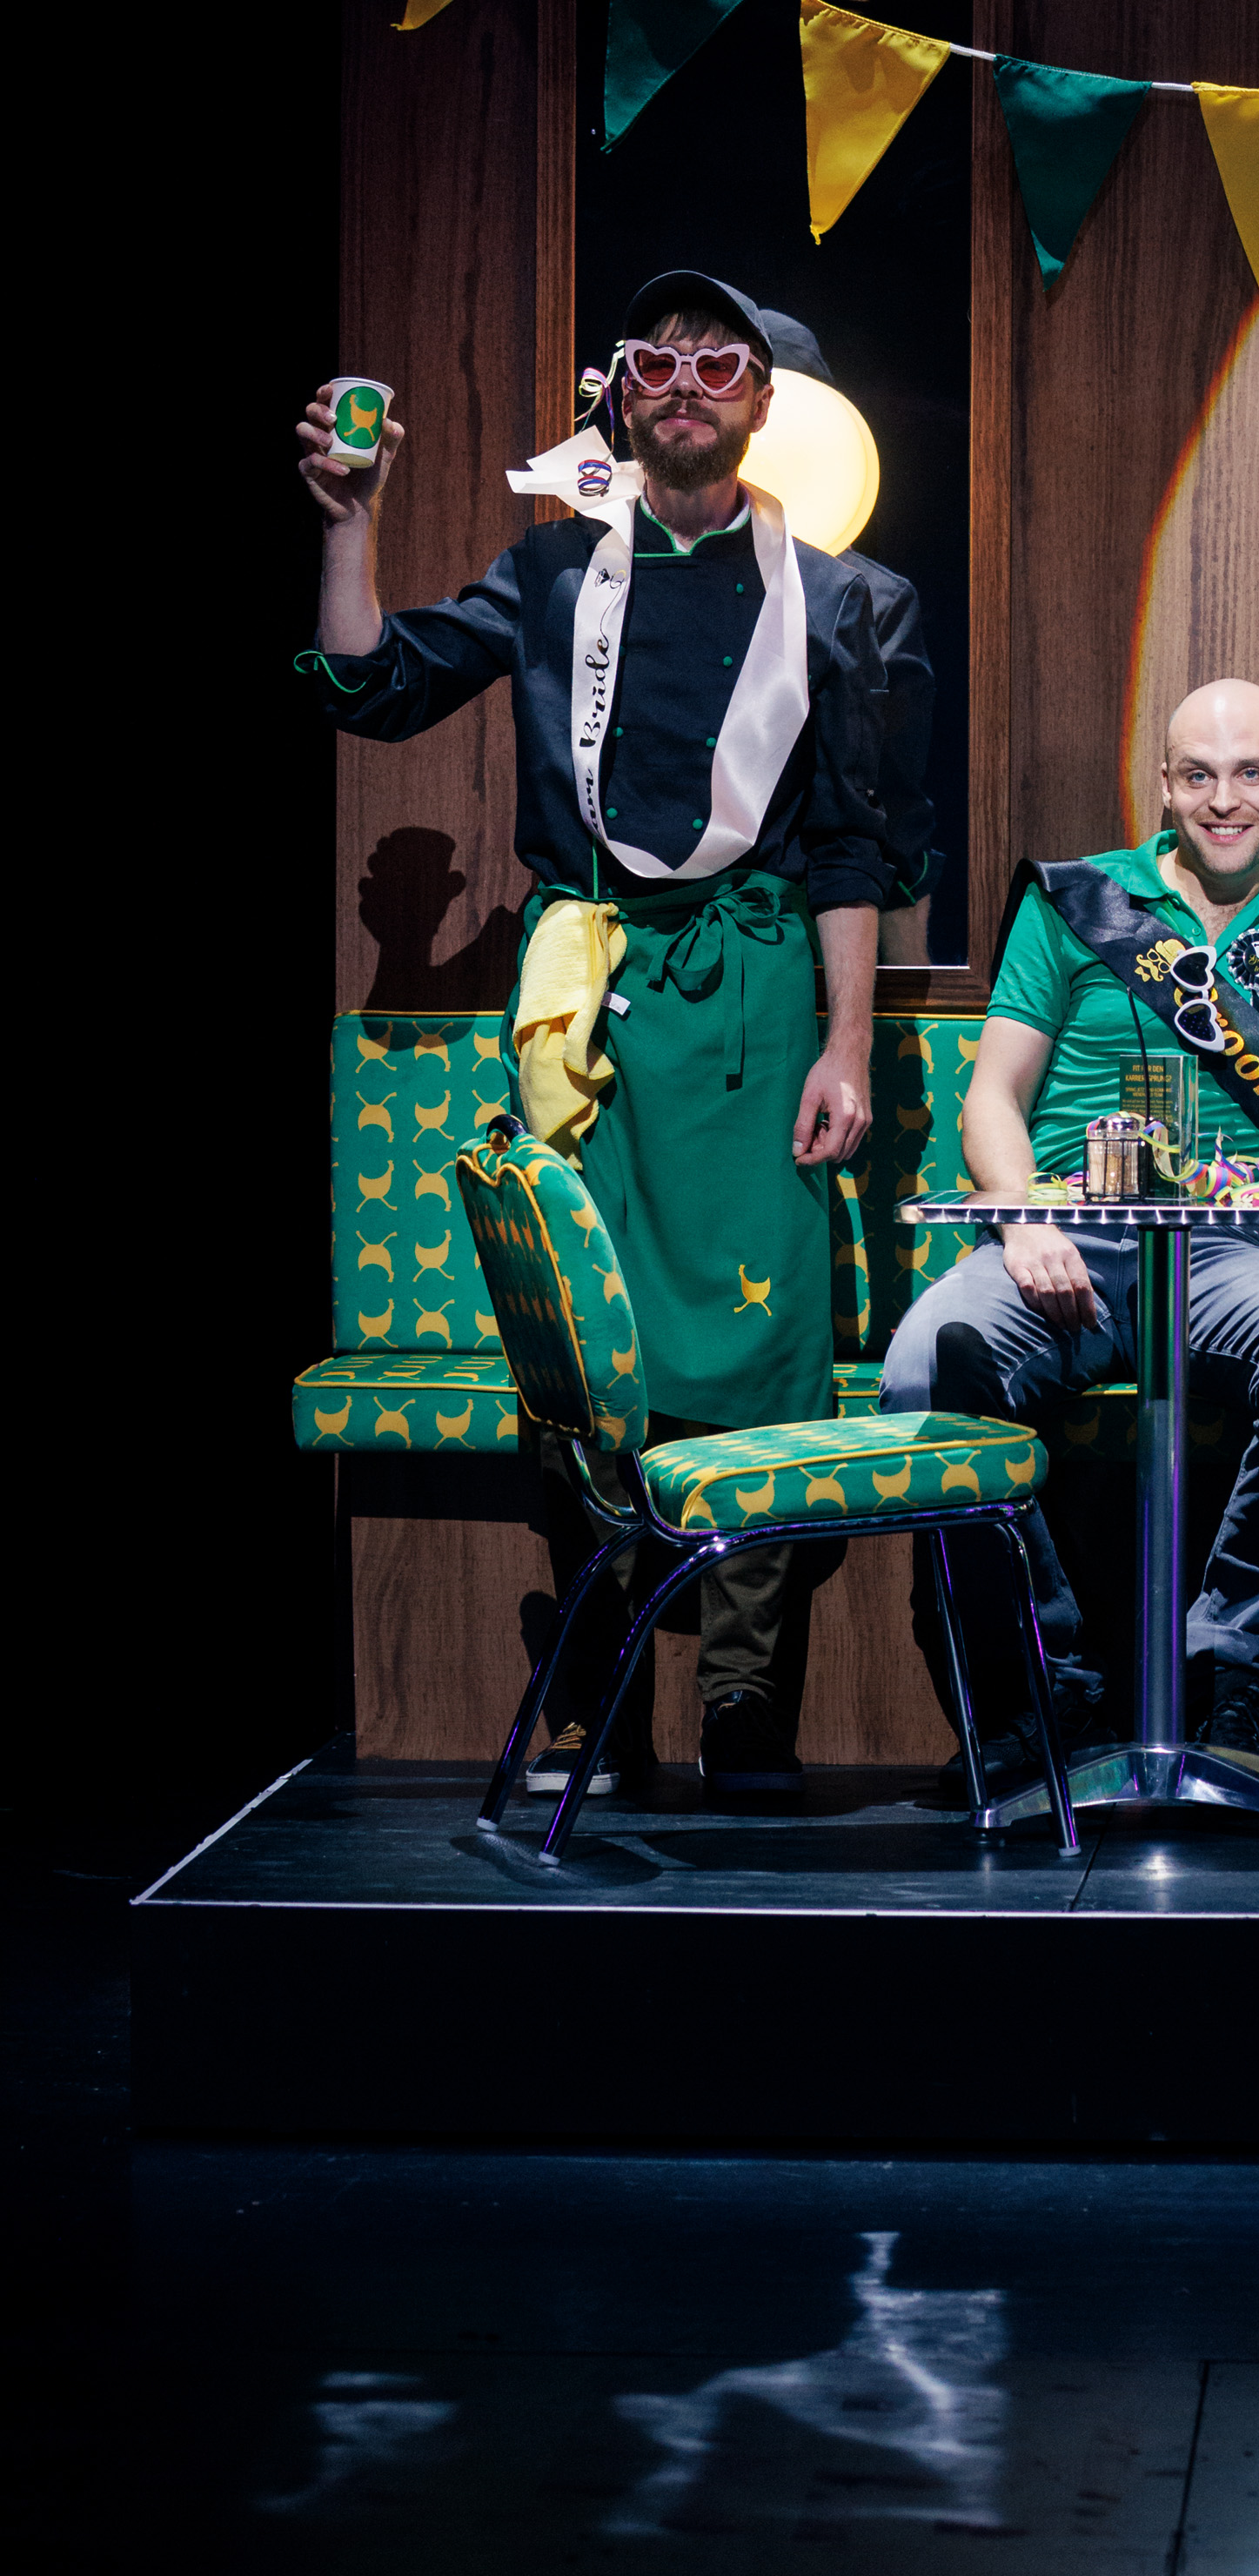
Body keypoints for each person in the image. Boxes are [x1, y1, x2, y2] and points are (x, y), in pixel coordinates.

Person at [298, 272, 894, 1794]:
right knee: (578, 1349)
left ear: (762, 402)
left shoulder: (844, 602)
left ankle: (746, 1703)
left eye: (718, 363)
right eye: (654, 362)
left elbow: (854, 849)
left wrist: (844, 1044)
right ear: (618, 399)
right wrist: (350, 524)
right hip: (589, 1007)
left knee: (762, 1353)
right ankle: (602, 1696)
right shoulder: (556, 572)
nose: (684, 385)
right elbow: (369, 686)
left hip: (755, 999)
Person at [879, 681, 1259, 1772]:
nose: (1223, 799)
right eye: (1198, 774)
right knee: (922, 1369)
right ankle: (1035, 1694)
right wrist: (1020, 1219)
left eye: (1251, 773)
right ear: (1164, 784)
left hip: (1228, 1251)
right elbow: (992, 1095)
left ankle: (1230, 1672)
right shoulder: (1080, 901)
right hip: (1063, 1235)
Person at [742, 305, 942, 963]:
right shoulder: (641, 576)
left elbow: (896, 803)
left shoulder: (876, 600)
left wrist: (909, 981)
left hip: (824, 918)